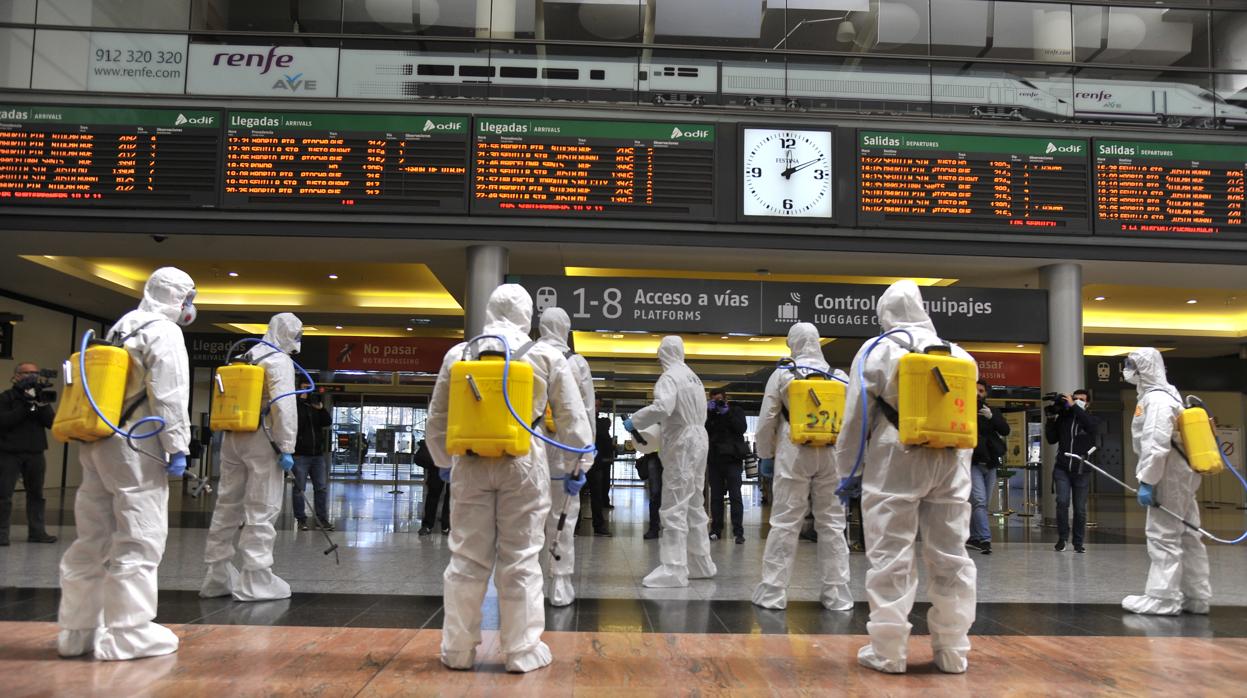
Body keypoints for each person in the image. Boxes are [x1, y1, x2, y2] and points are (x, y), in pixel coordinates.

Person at [425, 284, 592, 673]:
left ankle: (458, 649)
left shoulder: (459, 353)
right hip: (524, 461)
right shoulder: (545, 354)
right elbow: (571, 418)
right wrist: (577, 466)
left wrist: (442, 462)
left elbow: (438, 417)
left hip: (468, 462)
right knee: (520, 557)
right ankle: (520, 650)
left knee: (466, 555)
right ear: (528, 314)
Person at [833, 280, 977, 675]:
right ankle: (953, 651)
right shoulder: (960, 353)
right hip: (949, 462)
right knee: (952, 557)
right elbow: (962, 418)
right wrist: (958, 471)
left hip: (894, 459)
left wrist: (847, 472)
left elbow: (856, 417)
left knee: (890, 556)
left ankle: (889, 651)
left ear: (885, 314)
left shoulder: (877, 350)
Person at [57, 267, 196, 660]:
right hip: (138, 443)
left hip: (98, 438)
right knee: (140, 535)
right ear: (179, 298)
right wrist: (178, 446)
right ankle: (127, 633)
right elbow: (169, 394)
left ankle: (76, 630)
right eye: (189, 299)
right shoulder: (164, 332)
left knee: (93, 536)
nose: (190, 308)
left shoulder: (122, 326)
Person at [200, 313, 302, 602]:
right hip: (263, 437)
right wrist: (287, 447)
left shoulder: (248, 354)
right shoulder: (279, 360)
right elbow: (284, 406)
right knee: (262, 506)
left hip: (233, 436)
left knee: (227, 504)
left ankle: (216, 576)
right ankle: (256, 579)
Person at [752, 323, 853, 611]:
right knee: (833, 523)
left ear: (793, 344)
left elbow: (767, 419)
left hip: (793, 451)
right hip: (831, 454)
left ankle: (773, 592)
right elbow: (851, 421)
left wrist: (766, 455)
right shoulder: (839, 377)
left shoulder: (783, 373)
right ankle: (838, 595)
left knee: (785, 522)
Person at [1121, 348, 1211, 616]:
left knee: (1163, 535)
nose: (1126, 370)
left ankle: (1163, 598)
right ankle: (1197, 597)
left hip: (1168, 474)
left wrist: (1148, 480)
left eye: (1130, 365)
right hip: (1180, 474)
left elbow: (1156, 444)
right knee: (1189, 535)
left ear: (1144, 368)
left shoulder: (1157, 400)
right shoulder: (1169, 395)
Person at [624, 336, 717, 588]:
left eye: (658, 355)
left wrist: (636, 420)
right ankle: (701, 562)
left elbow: (663, 407)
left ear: (664, 353)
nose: (657, 360)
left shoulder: (669, 378)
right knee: (695, 503)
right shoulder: (693, 377)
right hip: (700, 438)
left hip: (683, 443)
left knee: (674, 504)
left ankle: (674, 569)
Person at [535, 307, 596, 607]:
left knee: (527, 520)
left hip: (527, 455)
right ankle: (559, 583)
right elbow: (586, 412)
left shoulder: (525, 356)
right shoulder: (576, 363)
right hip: (565, 452)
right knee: (563, 519)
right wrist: (586, 457)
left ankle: (527, 583)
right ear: (567, 328)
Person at [0, 362, 58, 546]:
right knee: (4, 495)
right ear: (17, 375)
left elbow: (51, 423)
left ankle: (37, 532)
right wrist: (26, 405)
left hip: (35, 452)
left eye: (35, 373)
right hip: (8, 453)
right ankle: (1, 534)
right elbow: (4, 422)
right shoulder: (6, 397)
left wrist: (40, 404)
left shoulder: (40, 398)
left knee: (36, 494)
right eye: (27, 373)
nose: (32, 376)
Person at [1045, 387, 1100, 553]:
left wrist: (1075, 407)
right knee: (1062, 502)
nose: (1077, 402)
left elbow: (1091, 426)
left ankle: (1078, 542)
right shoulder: (1064, 417)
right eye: (1075, 399)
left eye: (1081, 400)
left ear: (1088, 403)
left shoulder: (1091, 419)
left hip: (1082, 470)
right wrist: (1051, 419)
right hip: (1062, 468)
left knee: (1080, 508)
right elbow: (1051, 439)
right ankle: (1062, 538)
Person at [968, 379, 1009, 555]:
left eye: (982, 391)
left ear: (986, 394)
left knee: (980, 503)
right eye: (975, 390)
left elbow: (1005, 430)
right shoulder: (963, 410)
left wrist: (991, 418)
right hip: (973, 462)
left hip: (991, 463)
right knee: (979, 501)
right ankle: (985, 539)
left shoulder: (992, 411)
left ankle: (974, 537)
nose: (978, 393)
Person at [705, 389, 747, 544]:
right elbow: (704, 431)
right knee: (716, 497)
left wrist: (726, 412)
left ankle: (738, 532)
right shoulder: (710, 413)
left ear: (726, 399)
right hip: (715, 460)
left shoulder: (735, 410)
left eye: (720, 400)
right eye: (715, 401)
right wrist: (709, 414)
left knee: (735, 496)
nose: (718, 403)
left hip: (732, 459)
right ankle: (716, 530)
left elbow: (741, 428)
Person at [292, 382, 331, 532]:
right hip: (300, 454)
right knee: (299, 489)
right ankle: (301, 520)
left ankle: (322, 519)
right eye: (303, 388)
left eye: (309, 387)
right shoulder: (295, 406)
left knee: (321, 488)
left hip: (317, 456)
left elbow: (327, 422)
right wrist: (301, 402)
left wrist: (321, 409)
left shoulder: (316, 406)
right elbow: (297, 424)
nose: (306, 391)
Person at [586, 401, 614, 536]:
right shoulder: (582, 419)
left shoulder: (604, 421)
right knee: (575, 496)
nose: (595, 408)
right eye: (594, 405)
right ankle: (574, 527)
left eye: (597, 406)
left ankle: (599, 526)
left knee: (597, 495)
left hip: (596, 464)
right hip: (580, 460)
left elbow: (601, 430)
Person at [416, 438, 449, 535]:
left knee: (450, 496)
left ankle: (446, 525)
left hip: (453, 462)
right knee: (433, 495)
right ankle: (428, 525)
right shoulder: (438, 425)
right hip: (437, 464)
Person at [640, 451, 663, 539]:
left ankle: (672, 527)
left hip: (673, 454)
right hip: (654, 455)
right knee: (655, 493)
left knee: (673, 493)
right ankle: (654, 528)